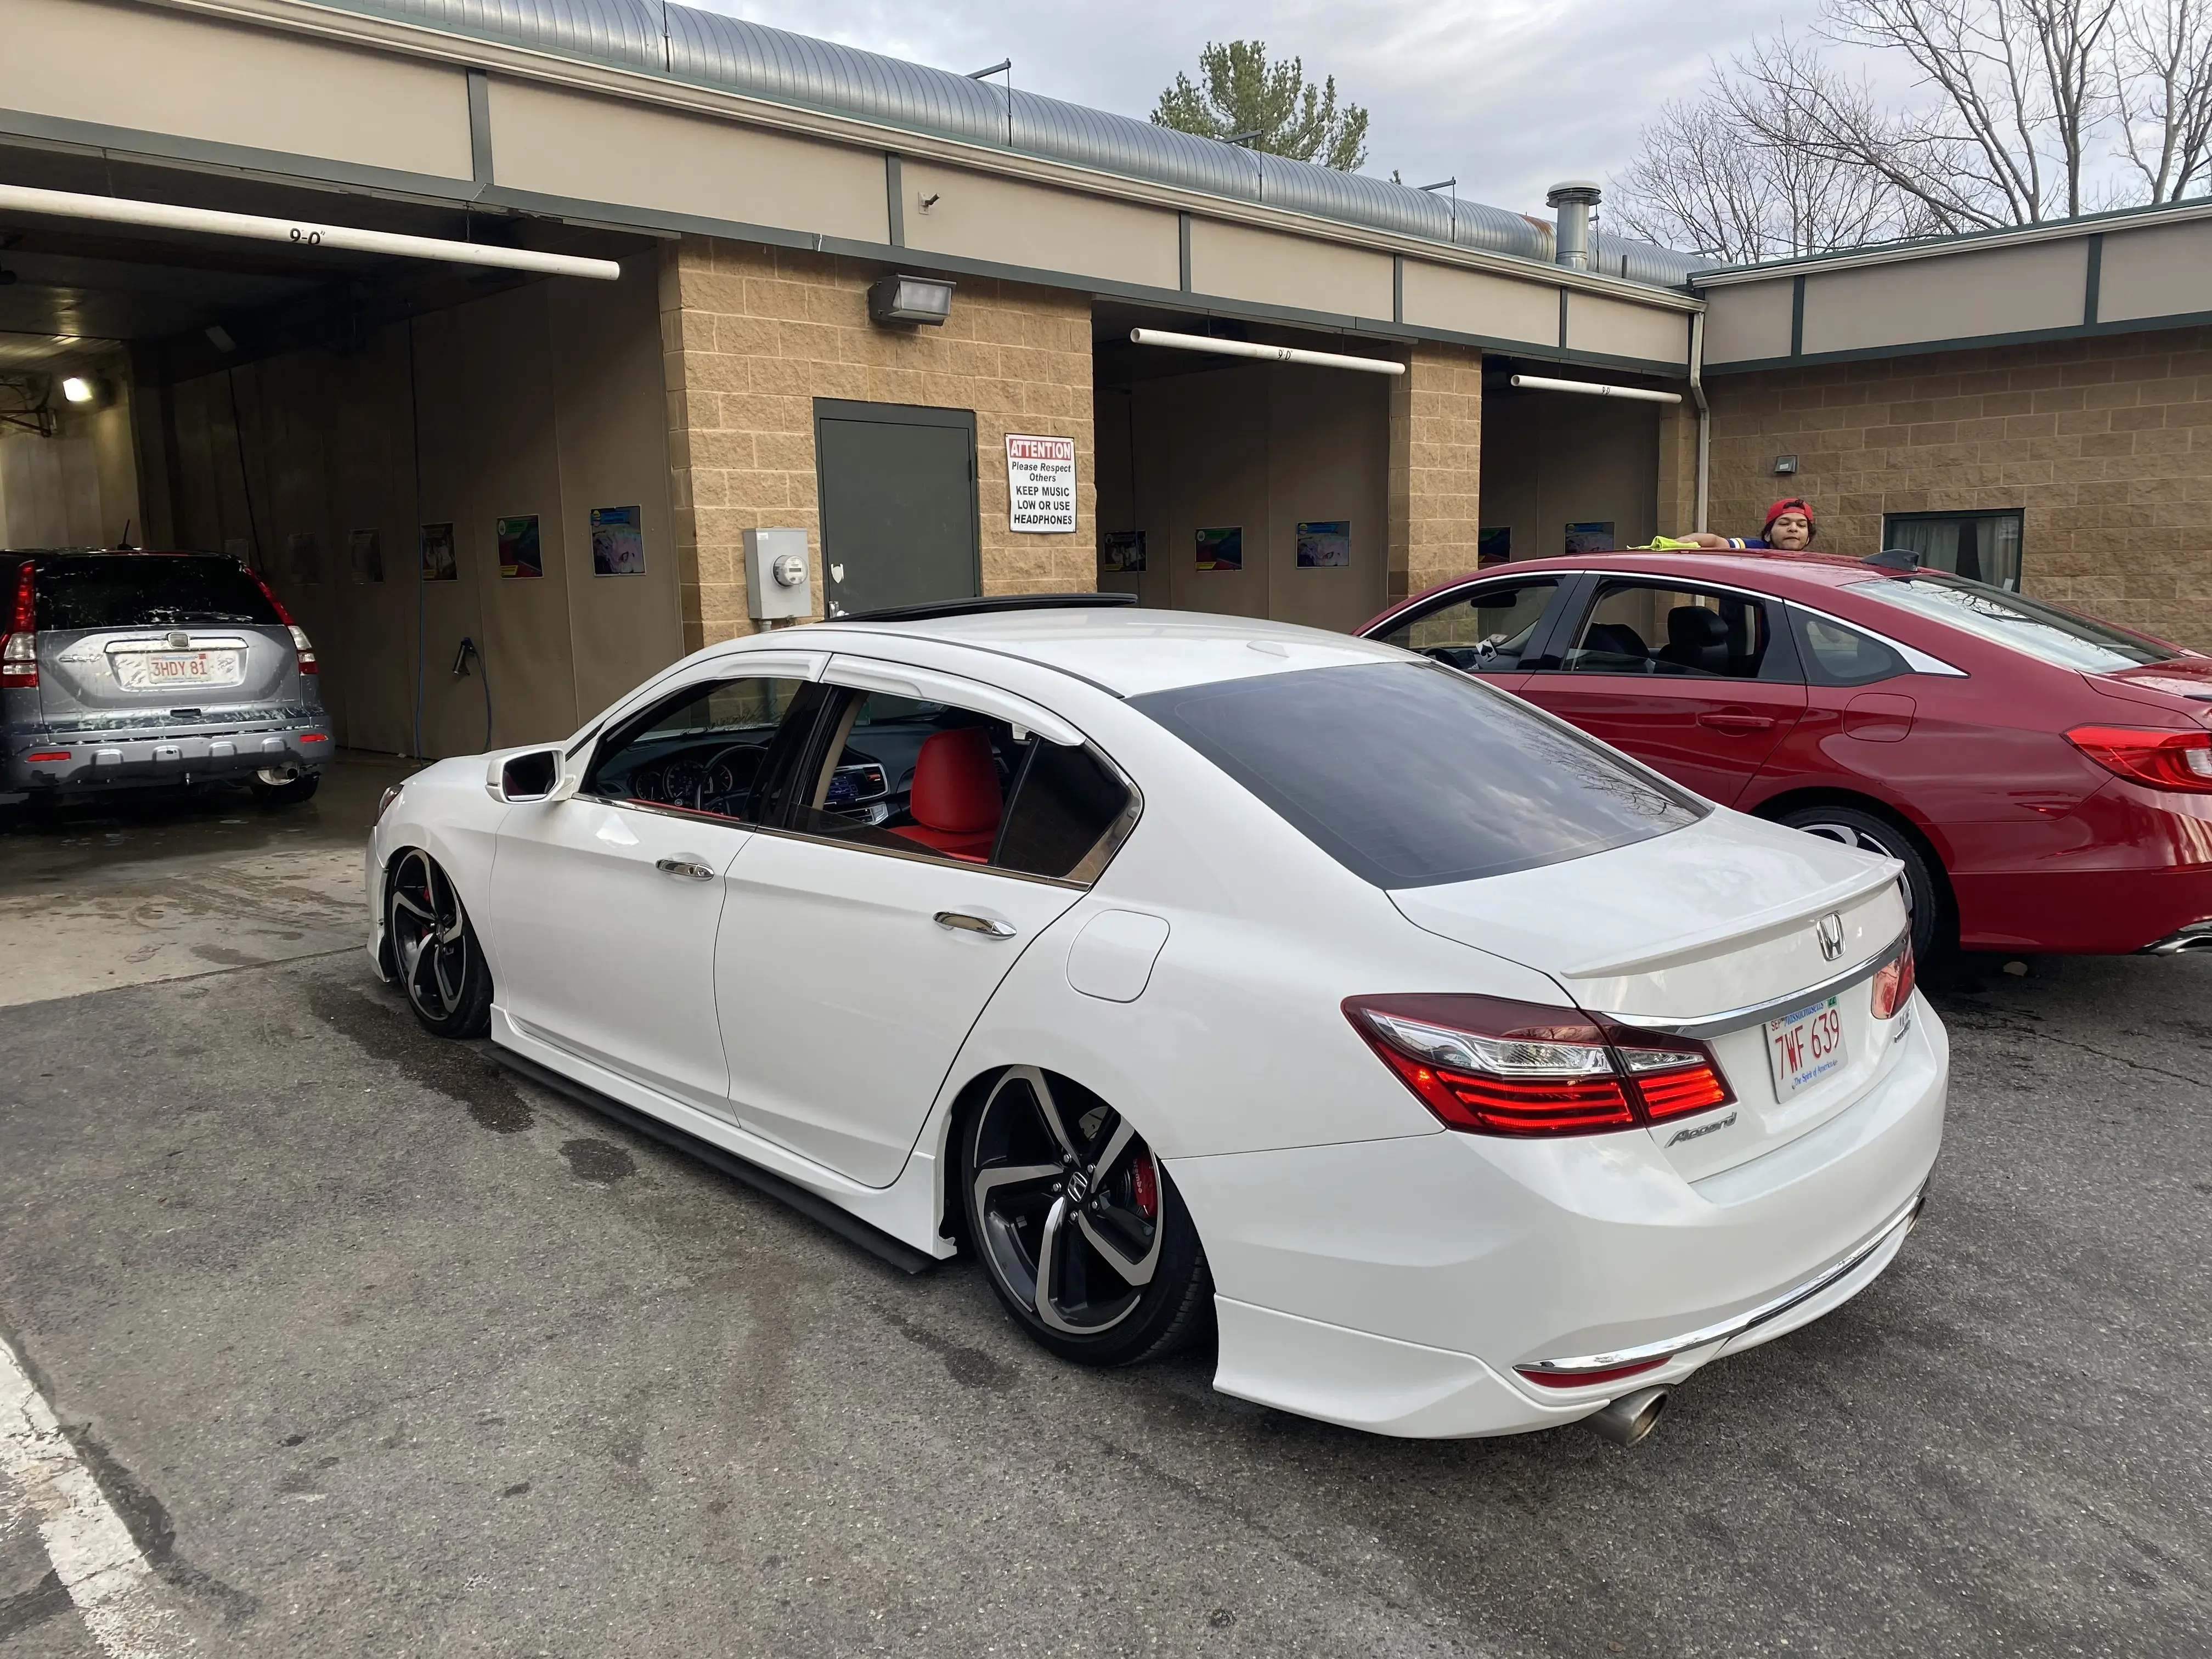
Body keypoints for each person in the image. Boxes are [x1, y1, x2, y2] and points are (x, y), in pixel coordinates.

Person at [1675, 498, 1816, 552]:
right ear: (1767, 535)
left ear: (1808, 538)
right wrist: (1688, 541)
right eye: (1784, 523)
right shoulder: (1753, 550)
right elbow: (1716, 541)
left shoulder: (1815, 566)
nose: (1793, 529)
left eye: (1801, 525)